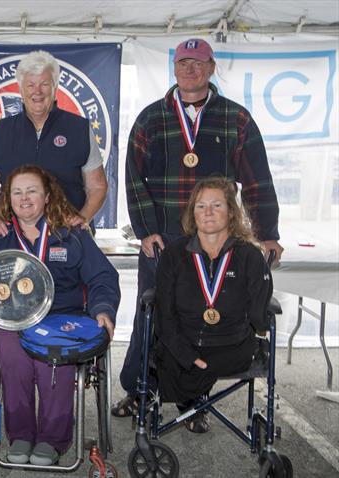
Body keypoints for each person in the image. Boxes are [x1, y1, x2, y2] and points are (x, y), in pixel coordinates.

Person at [114, 38, 284, 418]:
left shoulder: (236, 118)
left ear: (211, 68)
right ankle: (141, 388)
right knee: (153, 314)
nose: (190, 69)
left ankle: (194, 397)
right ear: (174, 68)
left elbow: (257, 180)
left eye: (198, 63)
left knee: (207, 315)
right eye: (183, 63)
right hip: (166, 240)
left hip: (216, 243)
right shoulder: (150, 118)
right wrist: (146, 231)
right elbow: (133, 179)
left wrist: (267, 231)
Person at [0, 165, 119, 465]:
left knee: (54, 358)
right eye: (17, 192)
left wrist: (103, 310)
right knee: (11, 355)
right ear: (8, 198)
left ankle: (53, 440)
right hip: (13, 320)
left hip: (62, 317)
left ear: (47, 196)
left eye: (32, 191)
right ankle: (21, 435)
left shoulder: (72, 233)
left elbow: (102, 278)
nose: (24, 198)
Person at [153, 176, 273, 433]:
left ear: (231, 212)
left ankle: (193, 402)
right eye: (200, 206)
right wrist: (188, 356)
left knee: (228, 358)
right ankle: (191, 402)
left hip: (231, 347)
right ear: (192, 213)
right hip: (182, 346)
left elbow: (259, 311)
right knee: (169, 361)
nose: (208, 212)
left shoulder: (249, 256)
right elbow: (165, 316)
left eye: (217, 205)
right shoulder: (174, 255)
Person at [0, 50, 107, 235]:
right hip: (15, 242)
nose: (37, 91)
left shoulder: (79, 129)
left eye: (44, 84)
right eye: (30, 85)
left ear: (55, 88)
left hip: (69, 239)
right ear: (21, 90)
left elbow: (98, 187)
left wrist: (83, 218)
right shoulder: (1, 131)